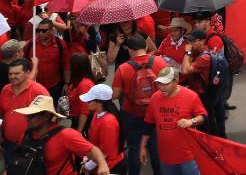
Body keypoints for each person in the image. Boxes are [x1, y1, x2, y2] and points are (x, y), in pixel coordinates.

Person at [111, 33, 168, 175]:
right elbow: (171, 86)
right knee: (156, 148)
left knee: (134, 148)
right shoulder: (160, 63)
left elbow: (115, 94)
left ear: (129, 50)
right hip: (155, 113)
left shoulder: (123, 68)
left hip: (132, 114)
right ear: (146, 46)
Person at [12, 94, 111, 175]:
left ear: (46, 116)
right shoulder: (27, 135)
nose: (27, 118)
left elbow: (93, 150)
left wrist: (102, 164)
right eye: (27, 115)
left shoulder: (66, 135)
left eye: (32, 115)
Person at [141, 67, 208, 175]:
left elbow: (203, 116)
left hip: (188, 157)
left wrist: (191, 121)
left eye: (165, 84)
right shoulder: (155, 98)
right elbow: (148, 124)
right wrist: (142, 147)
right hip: (166, 157)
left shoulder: (190, 96)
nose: (161, 87)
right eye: (159, 83)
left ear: (176, 81)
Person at [0, 57, 49, 164]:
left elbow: (50, 117)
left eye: (17, 73)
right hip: (9, 144)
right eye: (10, 74)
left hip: (32, 145)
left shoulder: (39, 91)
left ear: (27, 72)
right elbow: (1, 116)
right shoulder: (5, 90)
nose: (13, 77)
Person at [180, 28, 225, 137]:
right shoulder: (198, 54)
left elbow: (185, 70)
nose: (189, 44)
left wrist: (187, 52)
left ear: (202, 41)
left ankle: (212, 148)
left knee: (205, 126)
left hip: (204, 96)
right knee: (208, 122)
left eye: (193, 41)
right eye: (189, 41)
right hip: (201, 94)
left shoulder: (204, 58)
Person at [79, 83, 126, 174]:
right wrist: (87, 157)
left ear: (98, 103)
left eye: (89, 100)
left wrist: (87, 166)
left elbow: (105, 152)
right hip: (99, 165)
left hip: (111, 168)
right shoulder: (96, 114)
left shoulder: (108, 122)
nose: (86, 102)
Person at [25, 17, 71, 101]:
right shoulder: (31, 44)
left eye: (44, 30)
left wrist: (66, 83)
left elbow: (66, 64)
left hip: (54, 86)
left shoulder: (60, 44)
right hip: (35, 86)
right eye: (38, 30)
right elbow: (23, 62)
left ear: (51, 30)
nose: (41, 33)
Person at [68, 52, 97, 131]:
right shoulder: (77, 80)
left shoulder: (84, 85)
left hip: (82, 124)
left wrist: (79, 131)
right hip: (75, 119)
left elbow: (84, 111)